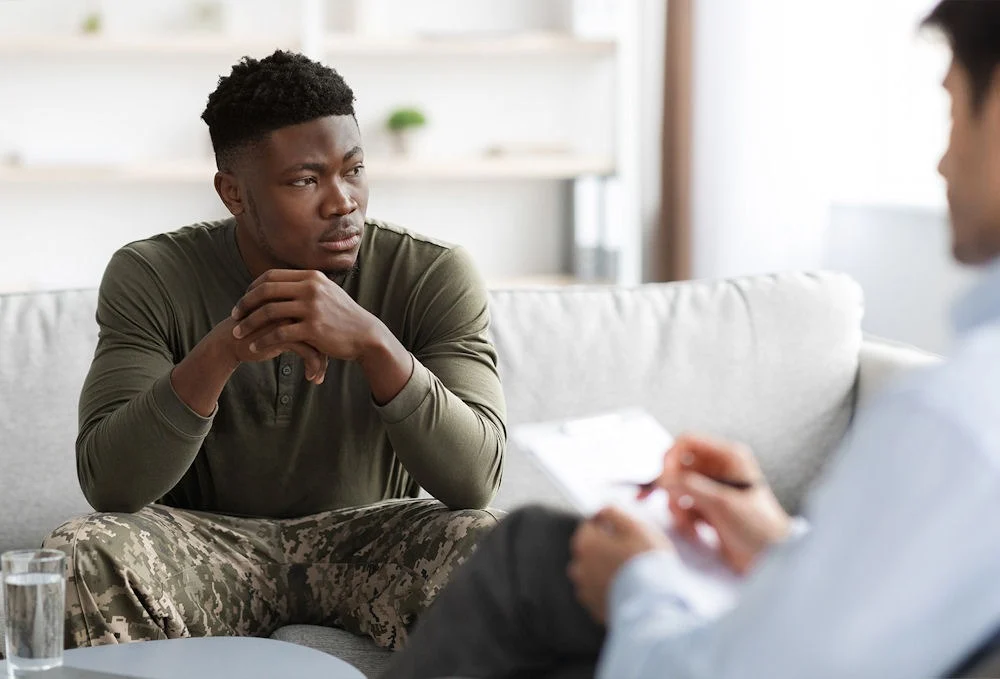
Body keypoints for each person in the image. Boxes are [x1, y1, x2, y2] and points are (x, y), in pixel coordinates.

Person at [381, 2, 1000, 677]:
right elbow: (878, 611)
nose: (943, 161)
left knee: (531, 556)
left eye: (953, 110)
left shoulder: (953, 419)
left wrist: (638, 582)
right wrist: (774, 543)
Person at [42, 51, 506, 651]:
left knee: (489, 543)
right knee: (81, 552)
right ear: (233, 193)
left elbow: (475, 481)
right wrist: (233, 341)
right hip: (205, 545)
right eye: (305, 180)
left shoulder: (431, 273)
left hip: (370, 540)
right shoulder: (151, 273)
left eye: (354, 170)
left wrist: (374, 343)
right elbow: (112, 486)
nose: (343, 201)